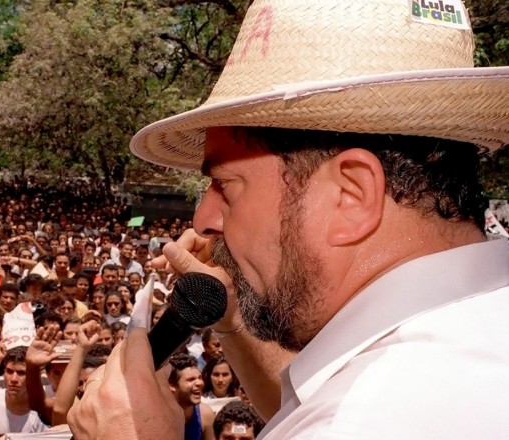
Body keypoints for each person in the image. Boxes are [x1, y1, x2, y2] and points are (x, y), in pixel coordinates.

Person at [67, 0, 509, 438]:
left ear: (350, 196)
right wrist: (234, 307)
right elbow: (299, 409)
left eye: (224, 184)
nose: (202, 218)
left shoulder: (358, 420)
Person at [168, 354, 214, 440]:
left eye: (200, 378)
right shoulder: (160, 415)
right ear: (173, 385)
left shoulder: (205, 414)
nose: (199, 383)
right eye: (191, 379)